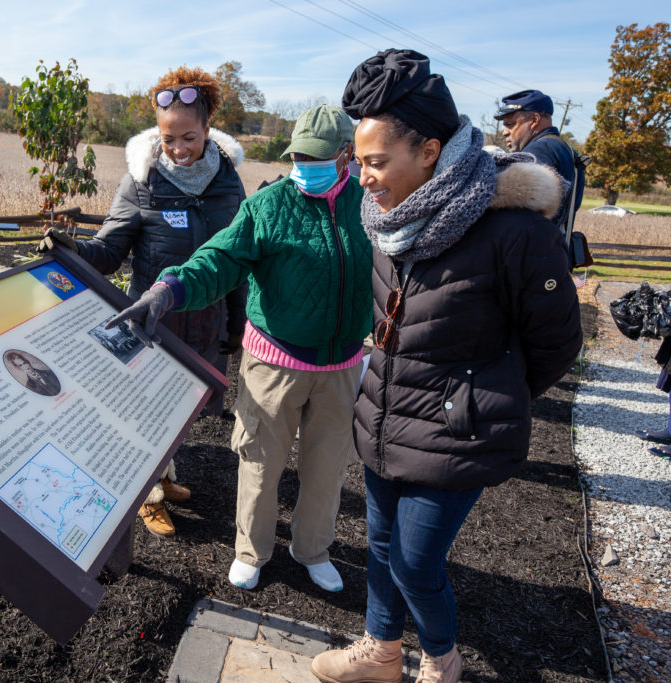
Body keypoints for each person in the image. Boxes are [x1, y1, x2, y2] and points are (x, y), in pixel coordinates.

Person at [305, 50, 582, 683]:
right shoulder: (389, 221)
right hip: (384, 418)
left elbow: (557, 344)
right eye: (359, 161)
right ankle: (379, 652)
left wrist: (482, 395)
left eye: (375, 163)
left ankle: (442, 661)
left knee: (414, 563)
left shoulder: (512, 231)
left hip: (458, 434)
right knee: (378, 548)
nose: (363, 177)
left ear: (430, 152)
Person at [107, 104, 372, 593]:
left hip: (341, 366)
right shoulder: (269, 206)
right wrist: (170, 289)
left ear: (345, 155)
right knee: (259, 461)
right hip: (275, 363)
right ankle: (252, 551)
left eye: (317, 157)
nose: (305, 167)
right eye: (299, 156)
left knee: (327, 466)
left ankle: (312, 550)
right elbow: (219, 258)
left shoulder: (370, 203)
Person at [38, 67, 247, 537]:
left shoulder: (229, 184)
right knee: (146, 413)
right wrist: (73, 248)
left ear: (208, 130)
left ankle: (165, 476)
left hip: (206, 321)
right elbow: (110, 250)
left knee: (183, 410)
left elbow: (237, 259)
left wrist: (238, 320)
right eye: (168, 138)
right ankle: (148, 496)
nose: (177, 149)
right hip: (152, 324)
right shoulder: (141, 182)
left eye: (188, 137)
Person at [494, 89, 584, 235]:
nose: (504, 132)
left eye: (510, 124)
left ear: (534, 120)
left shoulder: (539, 149)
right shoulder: (565, 149)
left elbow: (522, 217)